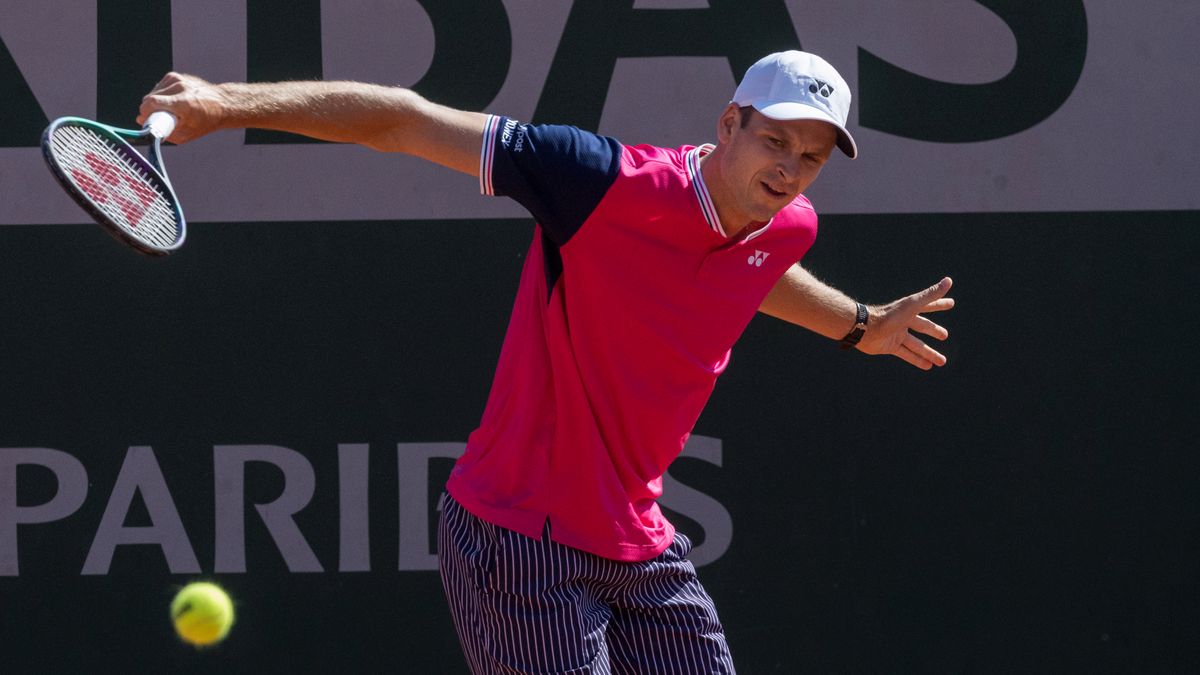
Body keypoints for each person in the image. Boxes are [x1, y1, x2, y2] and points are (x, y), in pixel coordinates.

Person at [141, 50, 953, 674]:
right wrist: (225, 105)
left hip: (639, 542)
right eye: (774, 140)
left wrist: (861, 325)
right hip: (518, 537)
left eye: (808, 159)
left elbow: (758, 269)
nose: (786, 170)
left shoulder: (790, 225)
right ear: (729, 122)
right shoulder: (597, 181)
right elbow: (401, 120)